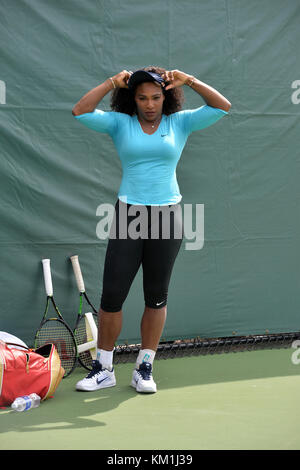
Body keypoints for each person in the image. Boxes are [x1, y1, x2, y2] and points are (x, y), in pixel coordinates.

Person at [72, 66, 231, 393]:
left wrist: (189, 80)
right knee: (112, 296)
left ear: (166, 96)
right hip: (129, 214)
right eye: (142, 97)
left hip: (167, 217)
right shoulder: (121, 123)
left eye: (156, 97)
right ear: (132, 98)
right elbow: (81, 111)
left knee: (156, 297)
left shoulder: (180, 122)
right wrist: (110, 83)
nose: (149, 104)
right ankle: (104, 368)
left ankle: (144, 368)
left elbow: (222, 106)